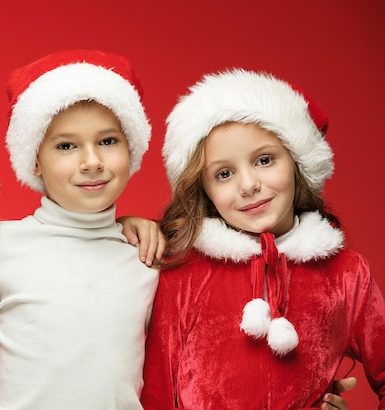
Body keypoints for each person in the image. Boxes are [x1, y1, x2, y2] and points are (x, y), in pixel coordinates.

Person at [140, 68, 385, 409]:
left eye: (264, 160)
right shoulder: (182, 273)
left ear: (297, 162)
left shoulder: (346, 273)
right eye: (224, 173)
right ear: (204, 191)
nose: (248, 185)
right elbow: (157, 394)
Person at [0, 49, 161, 410]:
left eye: (108, 141)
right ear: (35, 161)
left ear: (130, 148)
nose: (92, 162)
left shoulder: (145, 256)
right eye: (66, 146)